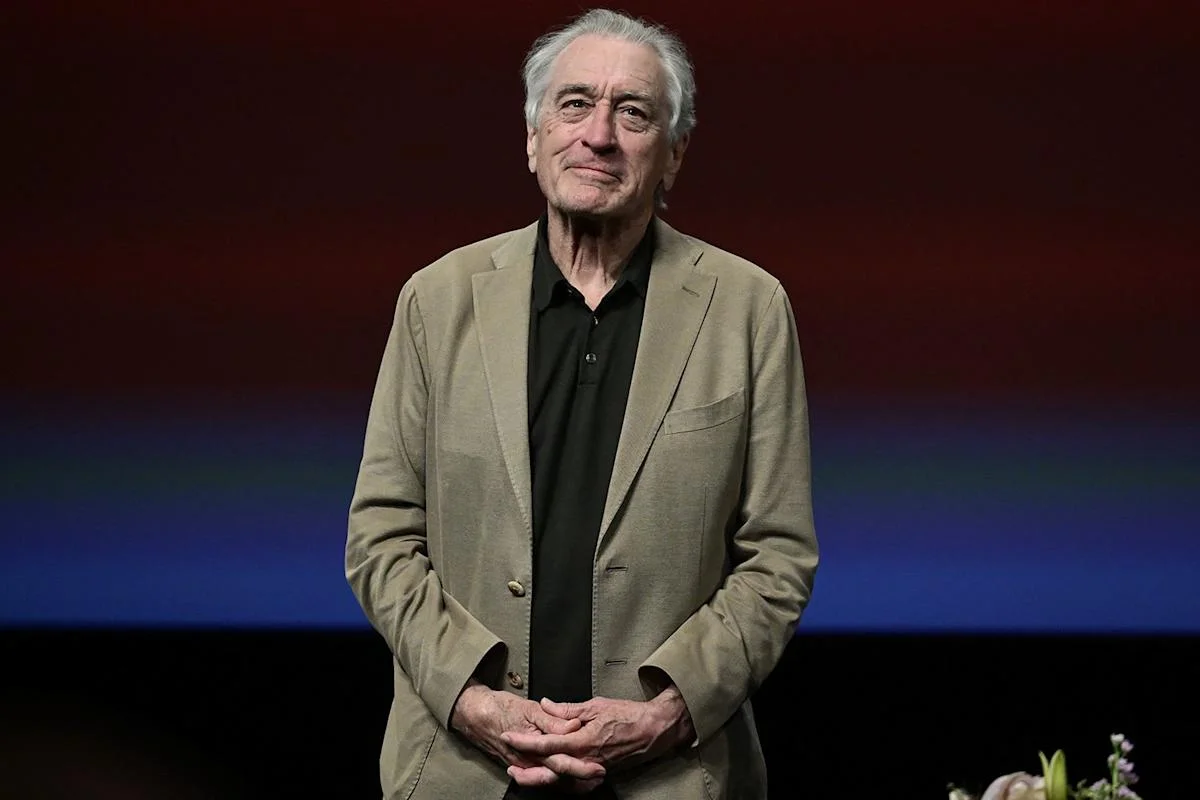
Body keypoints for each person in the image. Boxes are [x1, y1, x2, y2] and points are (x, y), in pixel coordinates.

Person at [346, 8, 818, 799]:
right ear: (534, 138)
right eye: (574, 104)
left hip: (672, 776)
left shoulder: (749, 308)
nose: (598, 135)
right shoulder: (436, 300)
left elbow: (778, 557)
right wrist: (470, 700)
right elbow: (381, 536)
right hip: (464, 770)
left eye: (632, 112)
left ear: (674, 153)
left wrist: (669, 713)